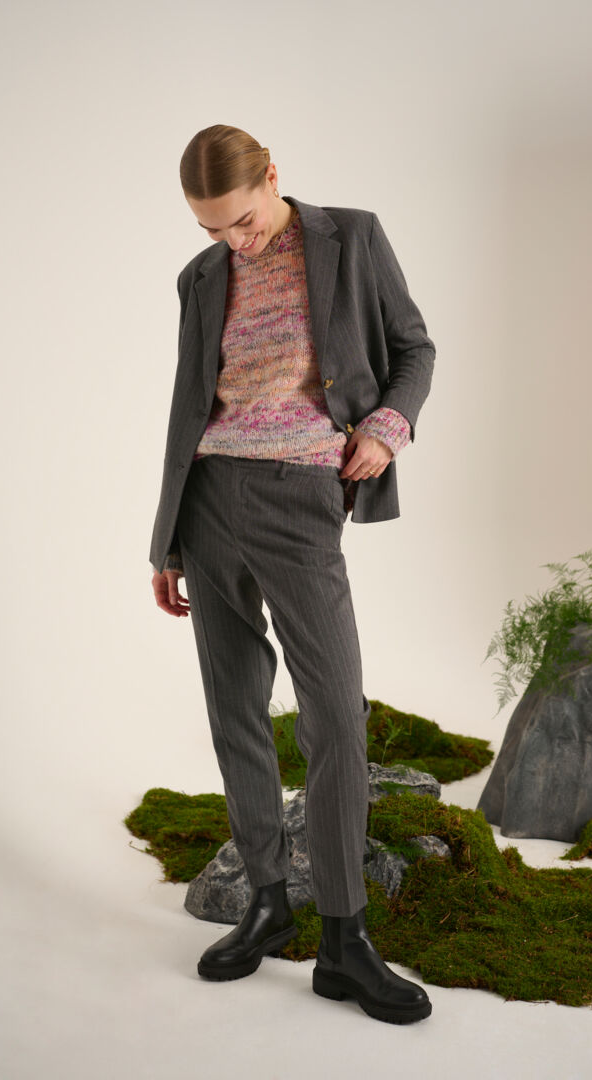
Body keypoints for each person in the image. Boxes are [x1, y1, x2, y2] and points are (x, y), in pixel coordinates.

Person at [149, 124, 435, 1025]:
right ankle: (267, 902)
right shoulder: (200, 278)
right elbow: (188, 406)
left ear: (273, 175)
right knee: (234, 705)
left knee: (335, 714)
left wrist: (385, 429)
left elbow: (415, 349)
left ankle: (345, 939)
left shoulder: (351, 235)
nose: (231, 242)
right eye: (211, 230)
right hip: (209, 499)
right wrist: (167, 542)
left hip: (300, 493)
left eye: (240, 221)